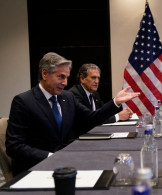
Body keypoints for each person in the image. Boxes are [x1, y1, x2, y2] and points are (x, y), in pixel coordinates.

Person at [6, 52, 140, 175]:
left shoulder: (68, 97)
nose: (65, 83)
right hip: (35, 169)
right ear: (45, 74)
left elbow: (91, 119)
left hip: (67, 164)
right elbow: (14, 146)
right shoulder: (23, 101)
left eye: (67, 77)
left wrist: (115, 102)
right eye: (61, 77)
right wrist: (50, 156)